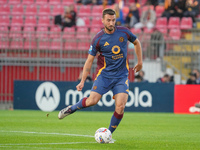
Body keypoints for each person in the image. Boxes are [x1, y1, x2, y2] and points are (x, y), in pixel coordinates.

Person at [58, 8, 143, 139]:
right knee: (92, 101)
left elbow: (137, 43)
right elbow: (89, 61)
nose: (111, 23)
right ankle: (72, 108)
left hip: (121, 76)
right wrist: (82, 81)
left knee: (120, 107)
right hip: (104, 76)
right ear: (102, 20)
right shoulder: (98, 39)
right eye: (108, 20)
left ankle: (108, 134)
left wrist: (140, 61)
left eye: (113, 20)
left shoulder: (124, 32)